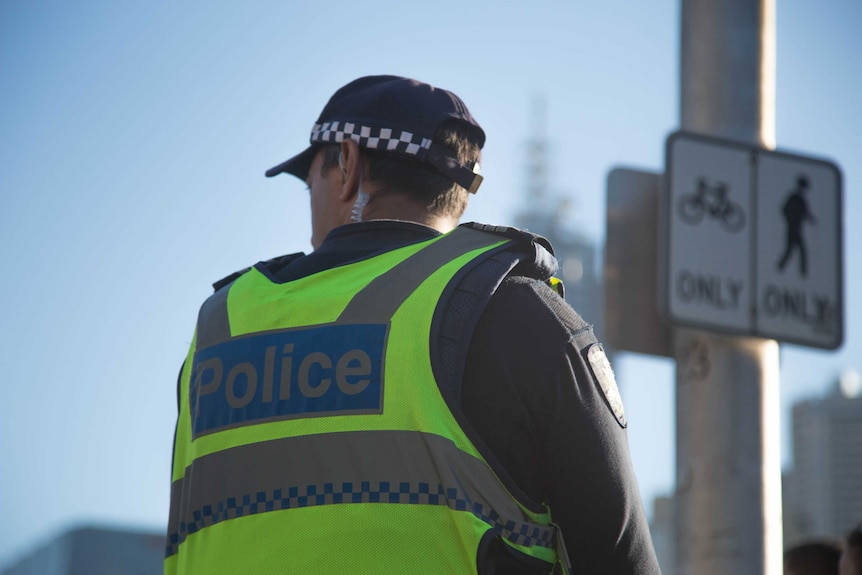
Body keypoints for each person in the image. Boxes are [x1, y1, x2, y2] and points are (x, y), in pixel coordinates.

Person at [164, 75, 661, 575]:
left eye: (310, 178)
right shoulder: (516, 313)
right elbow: (620, 556)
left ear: (347, 164)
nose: (310, 199)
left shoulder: (219, 326)